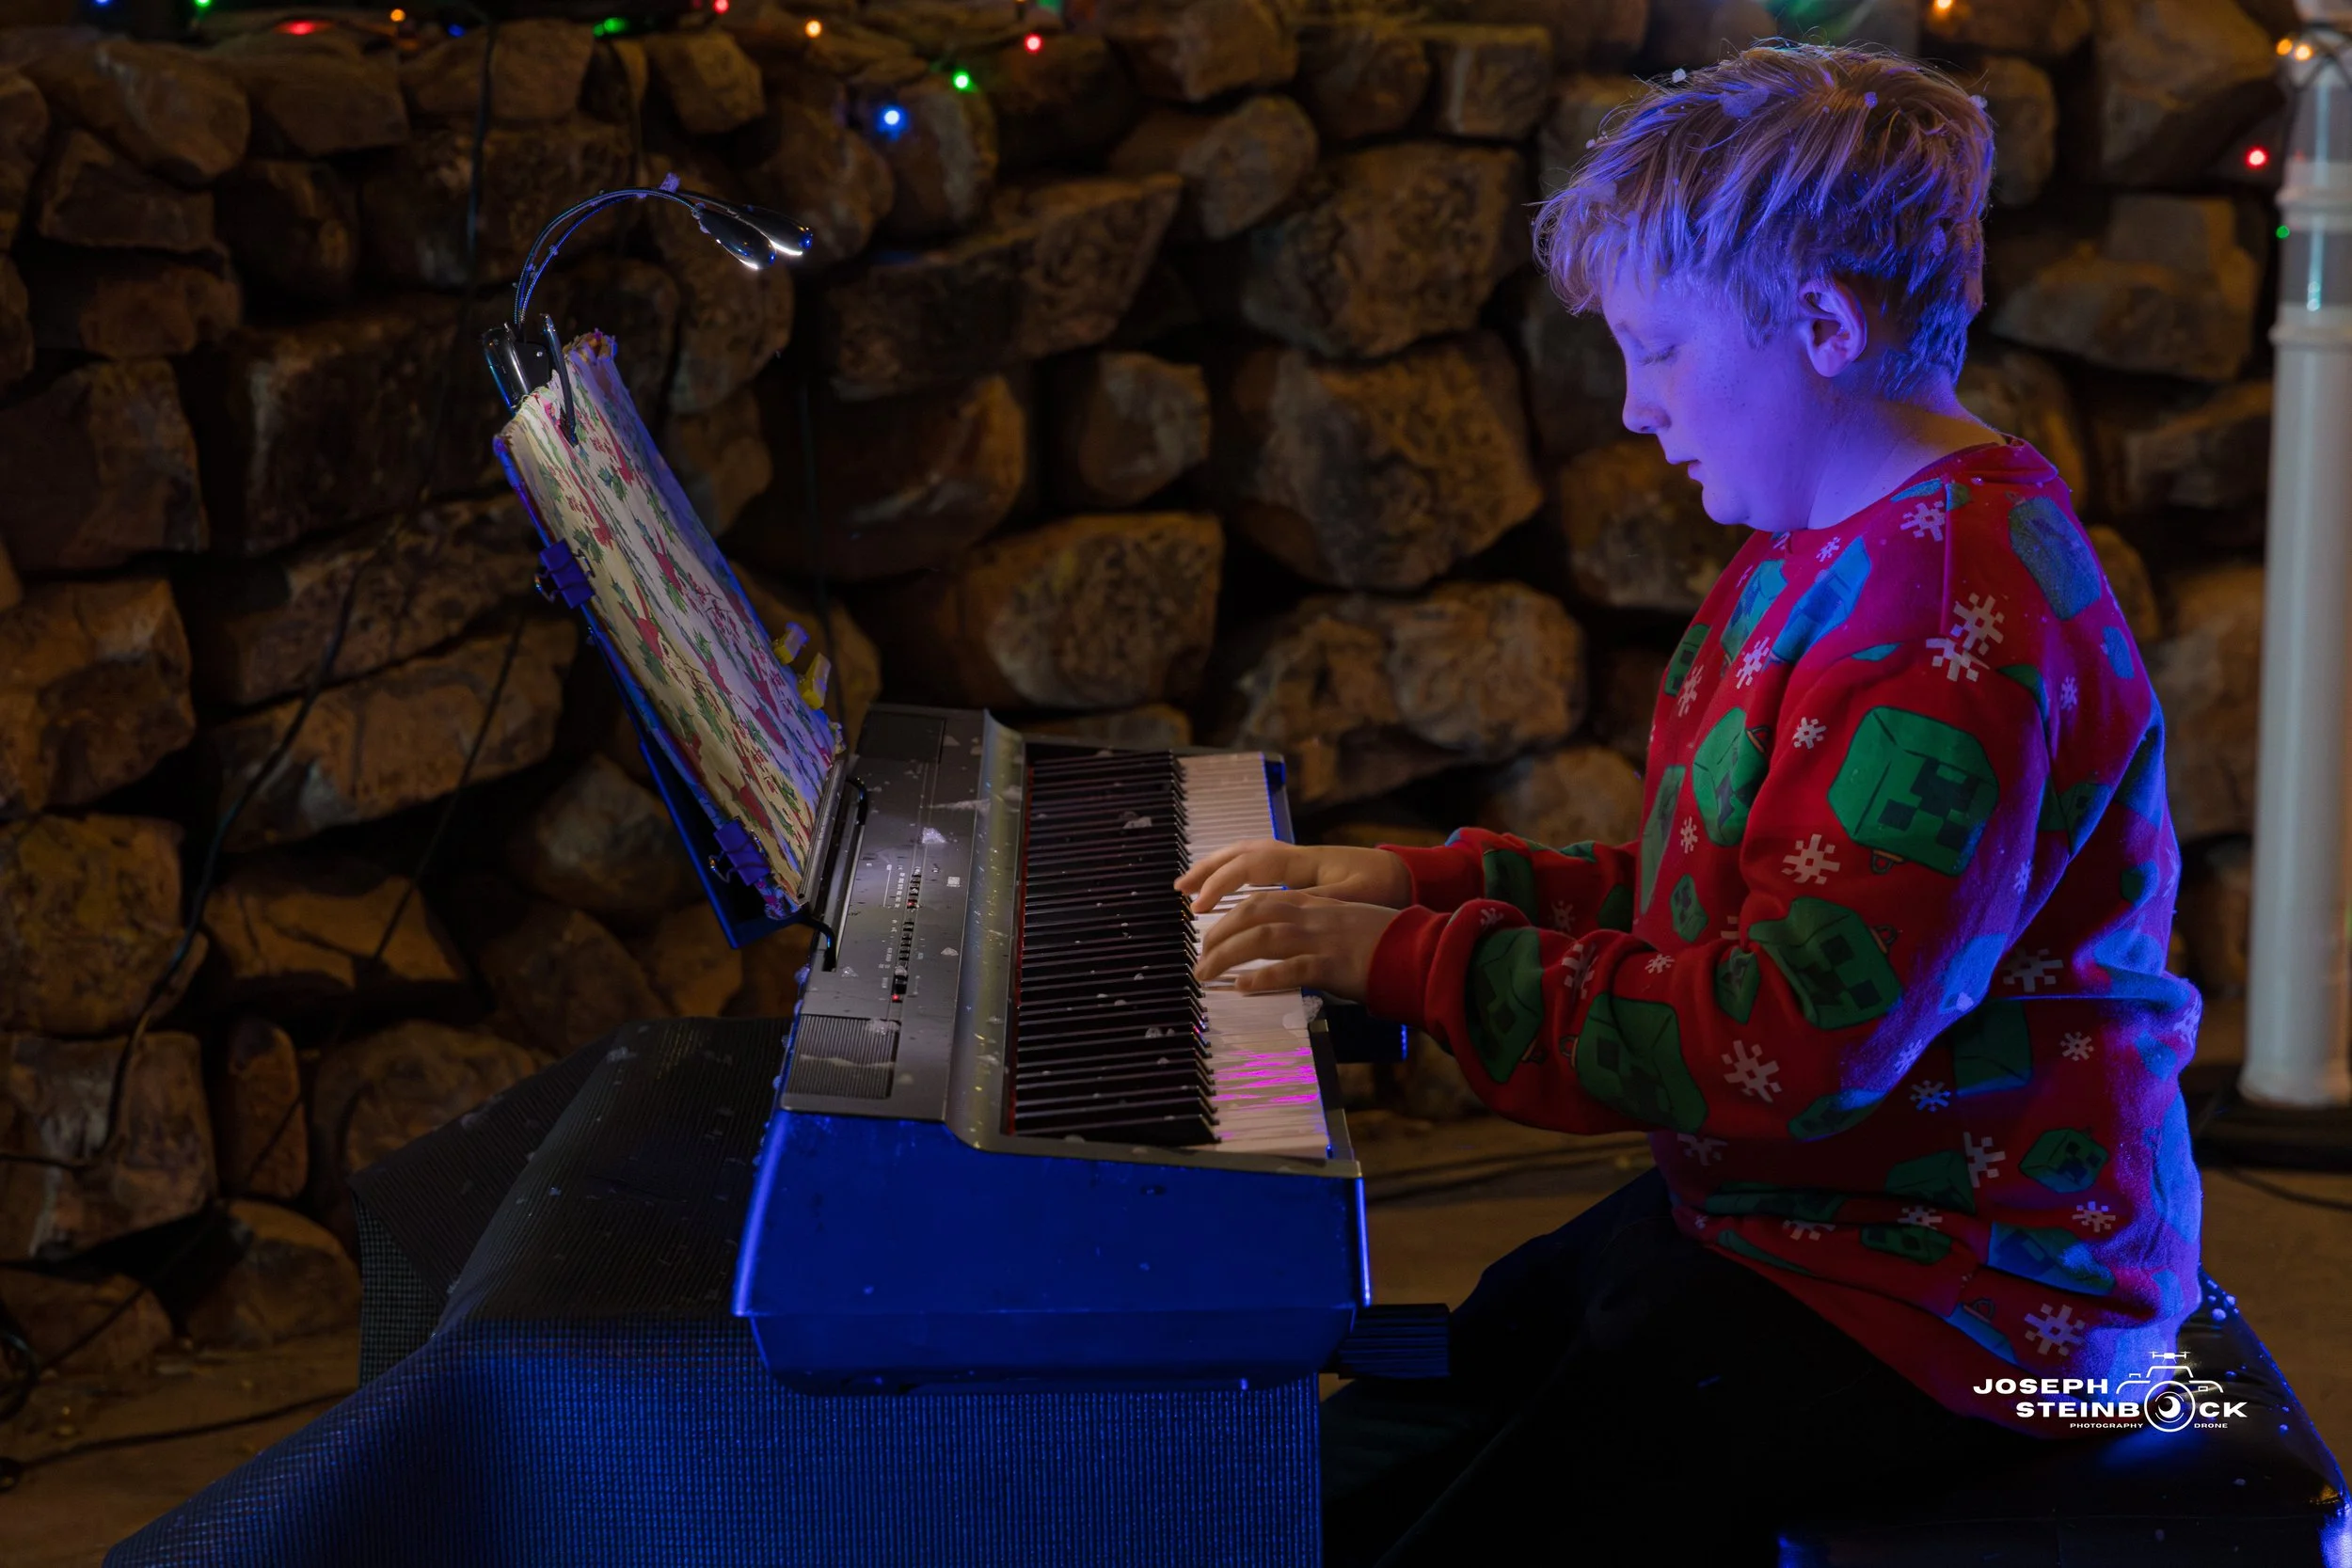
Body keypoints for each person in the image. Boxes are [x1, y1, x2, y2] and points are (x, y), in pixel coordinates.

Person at [1178, 42, 2202, 1567]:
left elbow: (1791, 1031)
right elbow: (1714, 895)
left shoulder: (1944, 617)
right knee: (1453, 1376)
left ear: (1820, 324)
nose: (1635, 408)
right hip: (1817, 1225)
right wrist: (1417, 887)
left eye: (1657, 350)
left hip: (1986, 1310)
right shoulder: (1820, 540)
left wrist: (1404, 966)